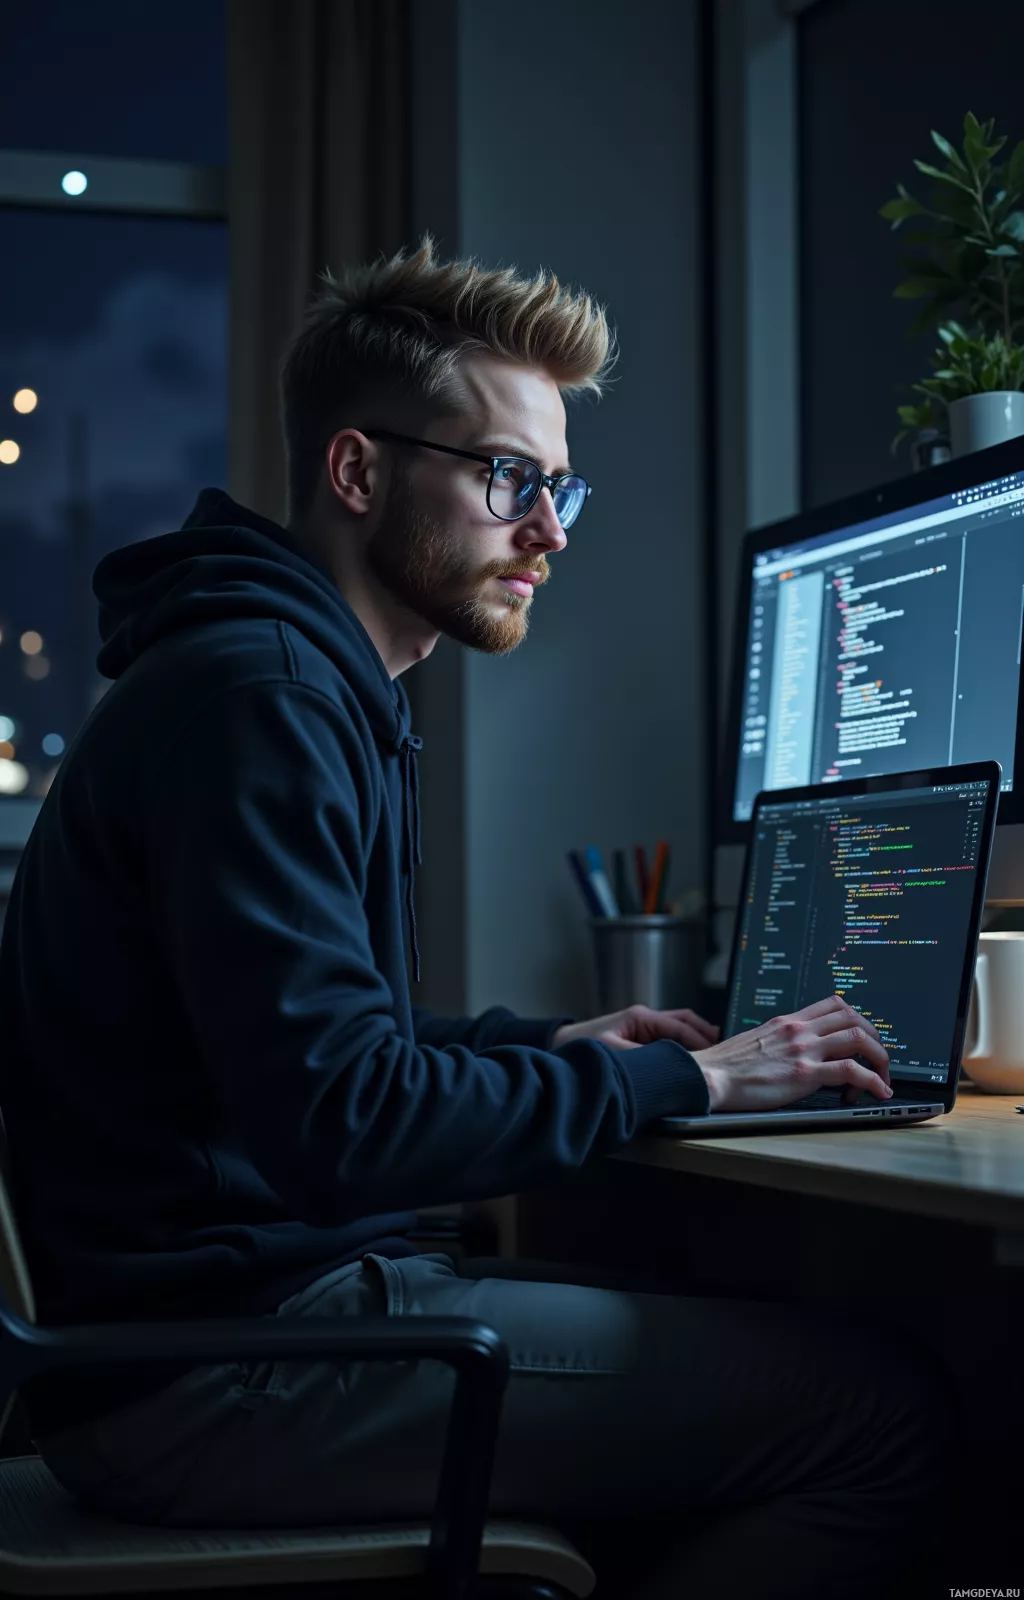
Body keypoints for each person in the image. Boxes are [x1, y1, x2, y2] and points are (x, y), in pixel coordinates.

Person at [0, 238, 950, 1597]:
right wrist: (681, 1074)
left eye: (561, 487)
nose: (551, 532)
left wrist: (561, 1043)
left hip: (200, 1342)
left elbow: (312, 1049)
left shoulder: (279, 675)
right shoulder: (261, 699)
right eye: (510, 478)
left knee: (749, 1332)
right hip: (216, 1376)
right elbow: (343, 1122)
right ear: (357, 472)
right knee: (881, 1409)